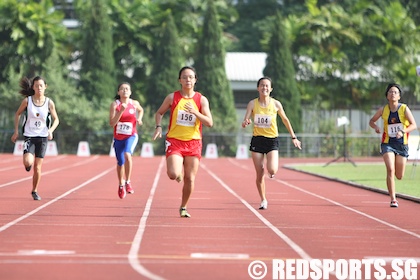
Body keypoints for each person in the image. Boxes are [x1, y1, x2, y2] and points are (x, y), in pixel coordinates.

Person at [153, 66, 213, 218]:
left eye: (191, 77)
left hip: (194, 143)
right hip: (175, 142)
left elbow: (209, 122)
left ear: (195, 80)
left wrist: (195, 112)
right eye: (184, 77)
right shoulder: (172, 97)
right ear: (180, 80)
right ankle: (177, 171)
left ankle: (184, 207)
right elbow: (159, 113)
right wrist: (158, 127)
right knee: (173, 174)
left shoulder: (201, 99)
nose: (188, 80)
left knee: (190, 178)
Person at [242, 77, 301, 210]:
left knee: (272, 169)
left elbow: (285, 120)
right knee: (260, 173)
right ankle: (263, 199)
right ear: (258, 88)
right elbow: (245, 121)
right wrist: (246, 122)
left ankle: (272, 171)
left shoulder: (276, 104)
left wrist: (294, 137)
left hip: (272, 140)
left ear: (271, 89)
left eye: (267, 86)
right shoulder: (252, 104)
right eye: (262, 85)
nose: (264, 88)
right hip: (257, 140)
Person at [11, 76, 60, 200]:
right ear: (33, 87)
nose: (39, 88)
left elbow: (56, 119)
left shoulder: (49, 102)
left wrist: (51, 130)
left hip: (42, 137)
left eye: (41, 86)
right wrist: (16, 131)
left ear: (45, 87)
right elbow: (17, 114)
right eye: (36, 85)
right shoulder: (27, 101)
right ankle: (28, 164)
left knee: (38, 167)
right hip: (29, 136)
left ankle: (34, 190)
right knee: (28, 162)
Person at [369, 83, 417, 208]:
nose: (393, 94)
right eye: (390, 92)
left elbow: (414, 125)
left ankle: (393, 191)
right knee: (390, 169)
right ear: (387, 96)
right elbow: (371, 121)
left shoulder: (404, 109)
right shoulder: (383, 110)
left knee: (399, 176)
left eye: (395, 92)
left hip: (402, 145)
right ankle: (393, 199)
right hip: (387, 143)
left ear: (399, 96)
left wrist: (402, 131)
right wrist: (376, 127)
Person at [109, 82, 144, 199]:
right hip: (118, 137)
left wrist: (139, 118)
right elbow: (112, 123)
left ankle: (128, 181)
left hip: (131, 135)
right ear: (118, 92)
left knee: (127, 154)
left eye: (127, 89)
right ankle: (121, 184)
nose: (125, 91)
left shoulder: (134, 103)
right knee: (120, 162)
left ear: (130, 92)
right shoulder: (115, 105)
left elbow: (141, 110)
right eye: (122, 89)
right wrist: (120, 111)